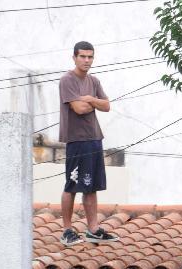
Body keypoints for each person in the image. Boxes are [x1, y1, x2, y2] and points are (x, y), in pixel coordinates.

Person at [59, 41, 119, 246]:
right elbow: (79, 108)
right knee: (72, 185)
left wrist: (90, 99)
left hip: (94, 138)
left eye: (90, 57)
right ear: (74, 57)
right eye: (82, 56)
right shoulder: (67, 80)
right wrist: (94, 102)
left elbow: (107, 106)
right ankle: (67, 230)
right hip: (76, 140)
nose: (86, 60)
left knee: (91, 186)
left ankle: (93, 229)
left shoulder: (93, 81)